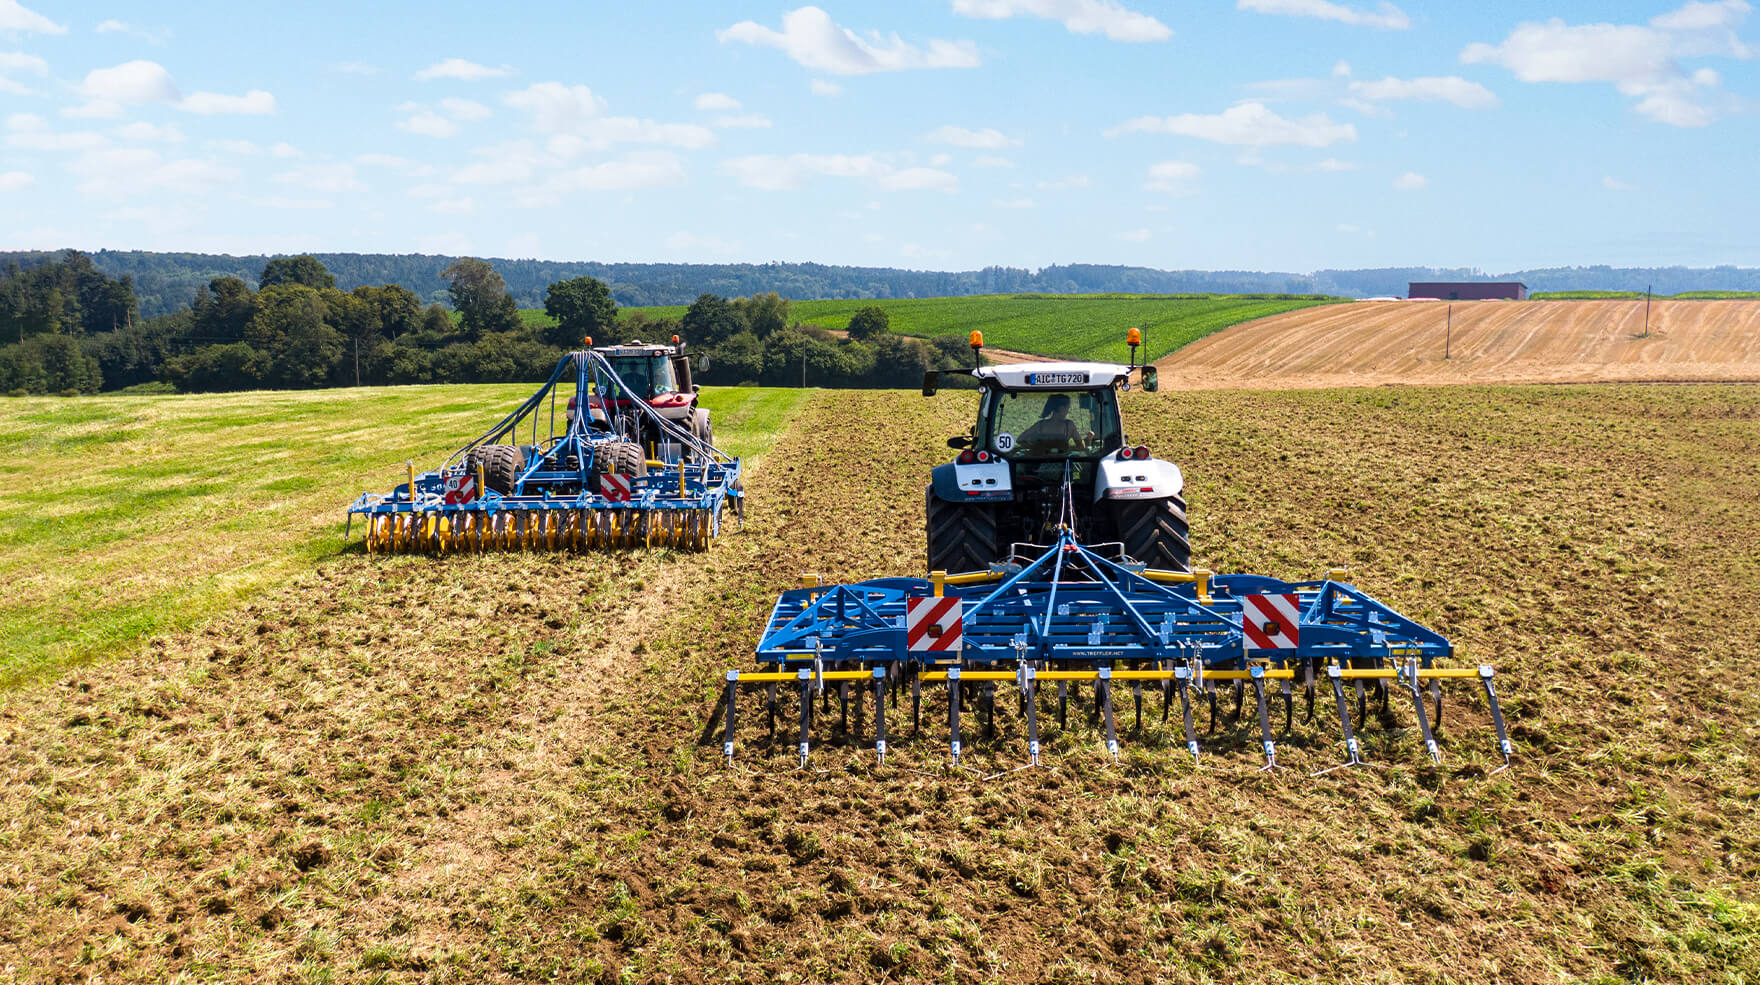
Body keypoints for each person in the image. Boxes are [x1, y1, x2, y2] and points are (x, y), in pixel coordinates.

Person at [1020, 393, 1089, 451]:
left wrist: (1035, 449)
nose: (1068, 411)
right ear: (1061, 408)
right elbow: (1081, 446)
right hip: (1064, 464)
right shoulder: (1069, 425)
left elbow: (1020, 439)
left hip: (1042, 464)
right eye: (1068, 408)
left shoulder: (1040, 425)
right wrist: (1087, 439)